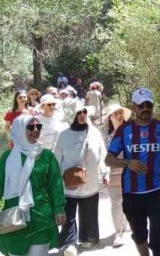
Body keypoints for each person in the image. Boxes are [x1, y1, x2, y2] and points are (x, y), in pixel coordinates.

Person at [105, 88, 160, 256]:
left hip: (158, 191)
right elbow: (108, 159)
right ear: (134, 107)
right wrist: (127, 162)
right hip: (132, 193)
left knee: (158, 241)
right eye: (141, 106)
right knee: (139, 235)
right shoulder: (124, 131)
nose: (145, 109)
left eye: (148, 105)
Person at [0, 115, 67, 256]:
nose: (35, 130)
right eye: (30, 127)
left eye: (38, 127)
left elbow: (56, 185)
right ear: (19, 130)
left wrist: (59, 209)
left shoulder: (47, 156)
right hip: (14, 219)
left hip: (41, 218)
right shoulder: (7, 157)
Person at [54, 107, 110, 254]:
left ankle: (87, 237)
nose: (82, 115)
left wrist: (105, 173)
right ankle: (70, 243)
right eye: (78, 113)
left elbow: (102, 154)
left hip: (90, 181)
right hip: (69, 182)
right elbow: (56, 158)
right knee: (69, 213)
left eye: (84, 112)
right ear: (72, 115)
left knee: (89, 210)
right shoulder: (64, 135)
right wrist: (56, 178)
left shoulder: (95, 133)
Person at [102, 103, 133, 247]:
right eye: (115, 113)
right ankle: (118, 233)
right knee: (116, 202)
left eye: (120, 113)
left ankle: (126, 223)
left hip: (129, 169)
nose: (119, 116)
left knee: (128, 200)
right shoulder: (104, 135)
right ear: (110, 117)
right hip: (112, 171)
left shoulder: (131, 130)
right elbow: (101, 155)